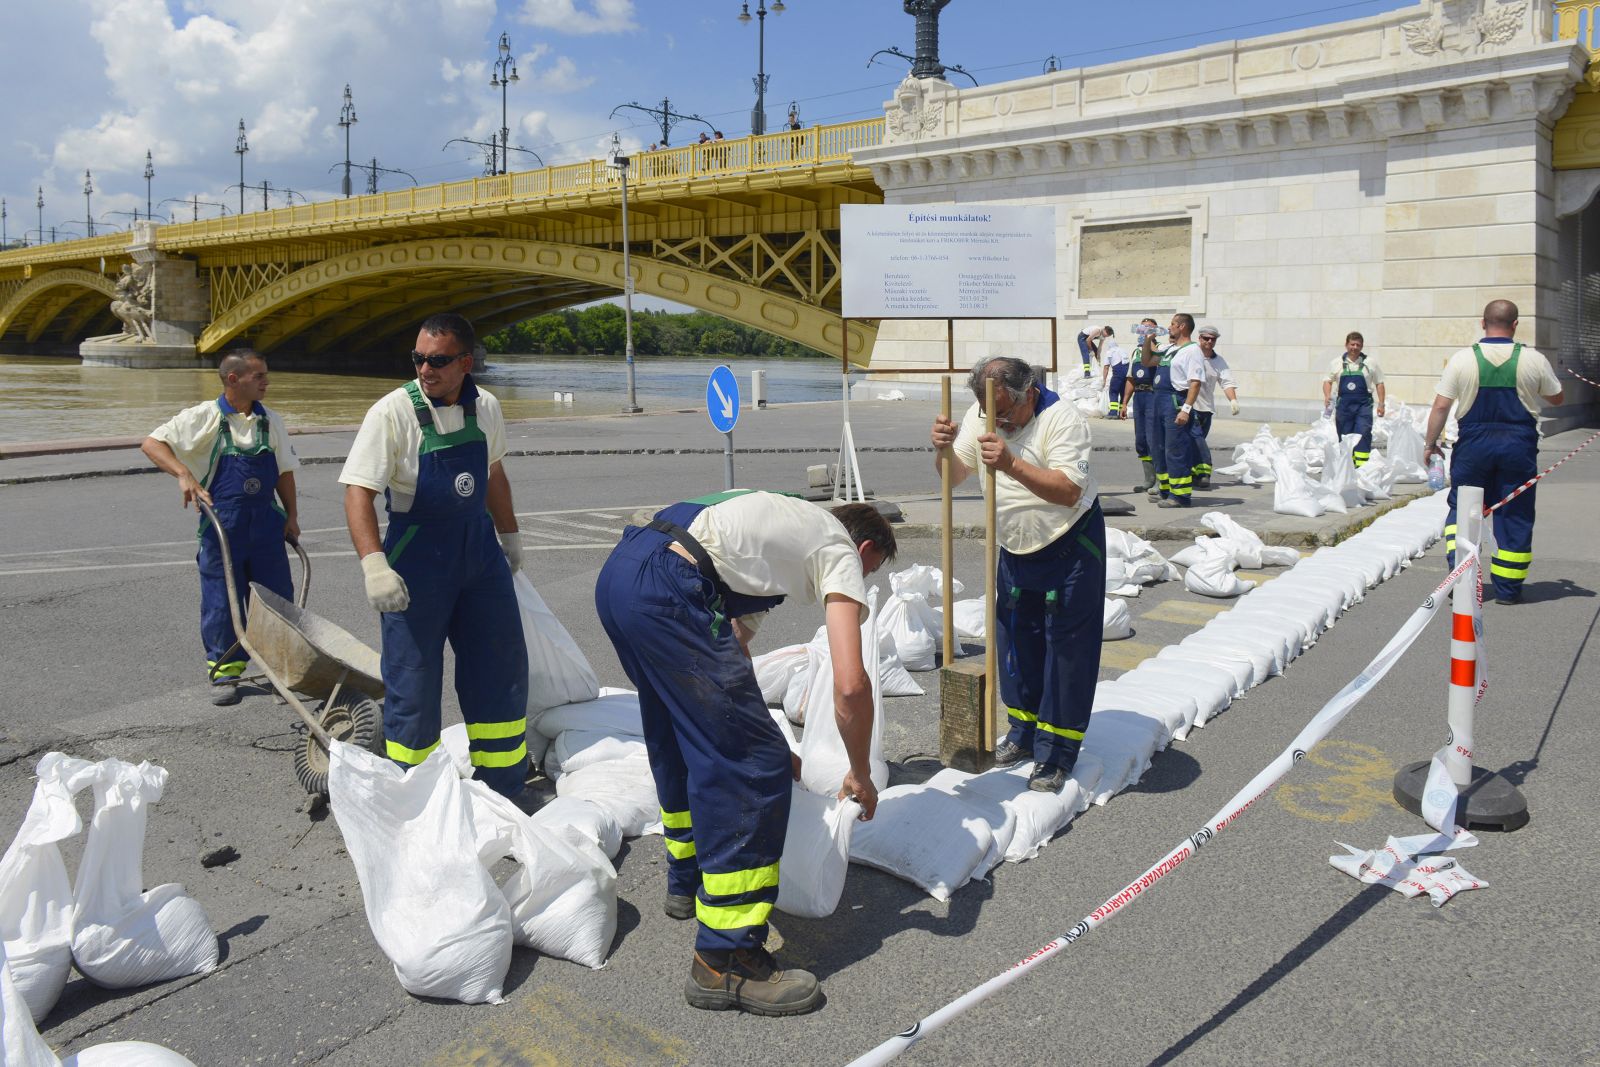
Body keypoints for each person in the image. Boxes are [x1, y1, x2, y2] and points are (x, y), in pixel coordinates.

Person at [594, 490, 892, 1016]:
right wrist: (860, 772)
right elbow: (850, 686)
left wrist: (767, 736)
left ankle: (686, 882)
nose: (858, 587)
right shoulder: (837, 547)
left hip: (625, 574)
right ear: (863, 546)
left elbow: (733, 652)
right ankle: (725, 962)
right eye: (867, 572)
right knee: (752, 771)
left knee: (678, 735)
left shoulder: (771, 524)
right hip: (669, 588)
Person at [338, 313, 530, 798]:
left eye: (438, 360)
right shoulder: (392, 413)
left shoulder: (485, 406)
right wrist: (373, 564)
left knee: (499, 667)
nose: (425, 369)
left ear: (466, 362)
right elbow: (358, 491)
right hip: (417, 559)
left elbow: (493, 474)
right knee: (414, 680)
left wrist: (509, 536)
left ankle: (504, 786)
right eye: (418, 358)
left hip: (479, 555)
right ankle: (414, 792)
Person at [930, 357, 1105, 794]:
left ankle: (1057, 753)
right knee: (1016, 644)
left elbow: (1068, 491)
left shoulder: (1062, 420)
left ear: (1029, 392)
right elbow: (953, 477)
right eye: (994, 414)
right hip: (1014, 544)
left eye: (1007, 413)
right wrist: (943, 449)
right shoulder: (983, 410)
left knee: (1065, 653)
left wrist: (1009, 464)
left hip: (1068, 541)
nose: (1000, 422)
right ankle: (1023, 733)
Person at [141, 350, 300, 706]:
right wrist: (183, 473)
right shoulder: (204, 417)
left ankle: (278, 670)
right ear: (234, 379)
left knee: (275, 600)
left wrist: (291, 516)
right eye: (258, 376)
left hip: (265, 525)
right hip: (222, 525)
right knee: (221, 601)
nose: (266, 382)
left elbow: (285, 472)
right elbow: (151, 444)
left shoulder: (270, 420)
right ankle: (225, 672)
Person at [1424, 300, 1564, 605]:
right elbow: (1556, 398)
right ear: (1515, 325)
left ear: (1482, 322)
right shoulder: (1533, 359)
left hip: (1474, 448)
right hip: (1518, 449)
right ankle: (1509, 589)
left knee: (1464, 511)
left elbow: (1440, 407)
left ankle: (1460, 579)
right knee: (1514, 513)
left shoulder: (1462, 360)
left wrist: (1430, 444)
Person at [1153, 313, 1205, 508]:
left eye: (1173, 324)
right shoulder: (1171, 349)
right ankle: (1166, 490)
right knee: (1159, 447)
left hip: (1175, 401)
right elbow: (1149, 360)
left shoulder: (1192, 351)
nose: (1169, 327)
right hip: (1159, 400)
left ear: (1183, 327)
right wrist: (1148, 338)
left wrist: (1186, 410)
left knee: (1176, 449)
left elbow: (1195, 383)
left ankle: (1180, 496)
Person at [1322, 332, 1385, 467]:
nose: (1355, 347)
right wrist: (1327, 396)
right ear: (1346, 345)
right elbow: (1327, 381)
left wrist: (1381, 404)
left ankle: (1361, 467)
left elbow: (1379, 383)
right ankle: (1347, 466)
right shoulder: (1336, 363)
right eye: (1352, 344)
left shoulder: (1370, 363)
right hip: (1344, 406)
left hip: (1363, 406)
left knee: (1363, 432)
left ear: (1362, 346)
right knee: (1345, 436)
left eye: (1358, 345)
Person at [1191, 324, 1240, 490]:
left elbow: (1227, 382)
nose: (1209, 342)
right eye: (1206, 338)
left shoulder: (1219, 361)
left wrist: (1233, 400)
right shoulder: (1191, 354)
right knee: (1197, 440)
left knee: (1198, 442)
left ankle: (1194, 474)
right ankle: (1205, 472)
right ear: (1199, 338)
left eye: (1213, 339)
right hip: (1190, 406)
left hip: (1207, 408)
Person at [1121, 317, 1163, 495]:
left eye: (1149, 328)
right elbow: (1130, 378)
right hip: (1139, 397)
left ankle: (1161, 480)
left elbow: (1156, 361)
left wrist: (1150, 341)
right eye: (1143, 328)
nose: (1145, 331)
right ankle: (1148, 478)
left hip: (1153, 395)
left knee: (1154, 438)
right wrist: (1124, 403)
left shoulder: (1161, 349)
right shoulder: (1135, 352)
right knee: (1141, 439)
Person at [1097, 326, 1129, 418]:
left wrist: (1104, 379)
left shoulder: (1110, 352)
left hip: (1118, 374)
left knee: (1113, 392)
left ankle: (1113, 413)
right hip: (1126, 374)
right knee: (1123, 392)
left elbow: (1106, 368)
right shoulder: (1123, 350)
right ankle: (1121, 413)